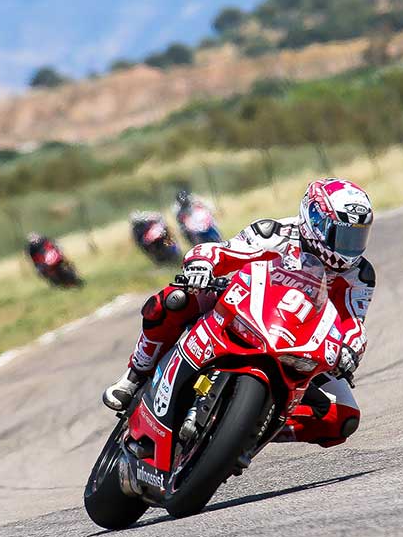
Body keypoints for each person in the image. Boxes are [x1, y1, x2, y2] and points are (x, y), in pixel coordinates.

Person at [103, 177, 375, 447]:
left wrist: (350, 349)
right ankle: (135, 375)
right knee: (174, 299)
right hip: (240, 307)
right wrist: (201, 265)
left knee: (344, 418)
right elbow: (223, 252)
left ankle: (250, 431)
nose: (349, 247)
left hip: (300, 343)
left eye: (358, 236)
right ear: (315, 220)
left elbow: (353, 322)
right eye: (343, 235)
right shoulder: (274, 233)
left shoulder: (360, 275)